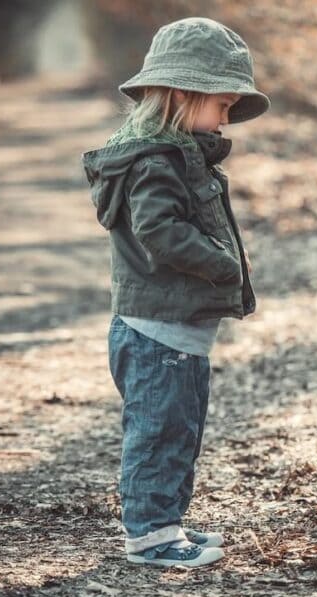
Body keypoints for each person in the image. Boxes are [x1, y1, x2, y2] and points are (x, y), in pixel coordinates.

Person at [82, 17, 269, 567]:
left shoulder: (175, 151)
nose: (225, 118)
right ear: (186, 95)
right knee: (159, 434)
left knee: (179, 430)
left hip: (174, 331)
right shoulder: (157, 161)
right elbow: (159, 232)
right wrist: (222, 265)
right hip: (158, 332)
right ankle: (149, 534)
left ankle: (166, 521)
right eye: (222, 105)